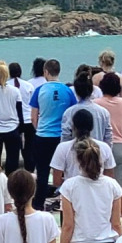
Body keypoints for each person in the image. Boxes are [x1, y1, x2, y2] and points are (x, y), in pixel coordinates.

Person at [28, 60, 76, 209]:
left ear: (46, 72)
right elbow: (73, 113)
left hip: (43, 136)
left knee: (42, 172)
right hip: (61, 137)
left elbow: (33, 117)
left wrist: (39, 129)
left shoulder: (39, 90)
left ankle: (38, 204)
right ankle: (65, 202)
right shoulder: (67, 91)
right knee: (64, 171)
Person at [50, 111, 117, 187]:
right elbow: (110, 177)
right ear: (92, 127)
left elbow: (56, 181)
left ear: (73, 126)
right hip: (98, 192)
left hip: (72, 192)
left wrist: (68, 185)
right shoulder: (104, 147)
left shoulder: (63, 148)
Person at [0, 62, 26, 173]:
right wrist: (21, 130)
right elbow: (20, 113)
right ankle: (11, 180)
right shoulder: (15, 91)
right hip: (12, 128)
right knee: (13, 161)